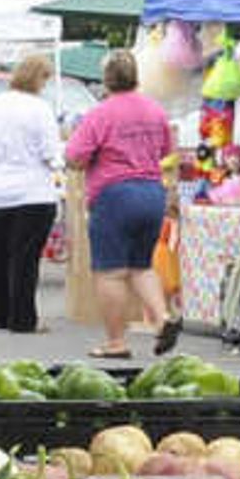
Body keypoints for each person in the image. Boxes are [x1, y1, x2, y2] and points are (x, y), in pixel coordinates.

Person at [63, 50, 177, 357]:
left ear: (106, 79)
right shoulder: (155, 110)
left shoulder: (101, 113)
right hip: (152, 193)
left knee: (111, 272)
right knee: (142, 266)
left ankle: (116, 342)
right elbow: (167, 148)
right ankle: (162, 318)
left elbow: (74, 156)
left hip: (115, 194)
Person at [0, 55, 62, 333]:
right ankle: (22, 318)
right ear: (39, 78)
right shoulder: (40, 109)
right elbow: (50, 154)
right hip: (31, 193)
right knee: (24, 260)